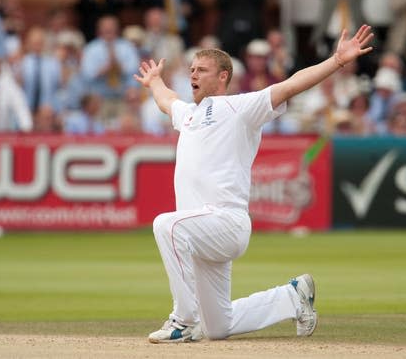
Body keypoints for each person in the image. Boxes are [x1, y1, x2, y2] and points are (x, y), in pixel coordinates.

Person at [133, 24, 373, 343]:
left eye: (202, 70)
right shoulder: (188, 115)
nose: (194, 75)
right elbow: (168, 101)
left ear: (222, 77)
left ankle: (183, 321)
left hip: (225, 222)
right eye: (192, 69)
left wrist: (337, 61)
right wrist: (155, 82)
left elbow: (289, 87)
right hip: (201, 233)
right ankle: (293, 296)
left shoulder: (240, 108)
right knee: (219, 327)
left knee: (166, 225)